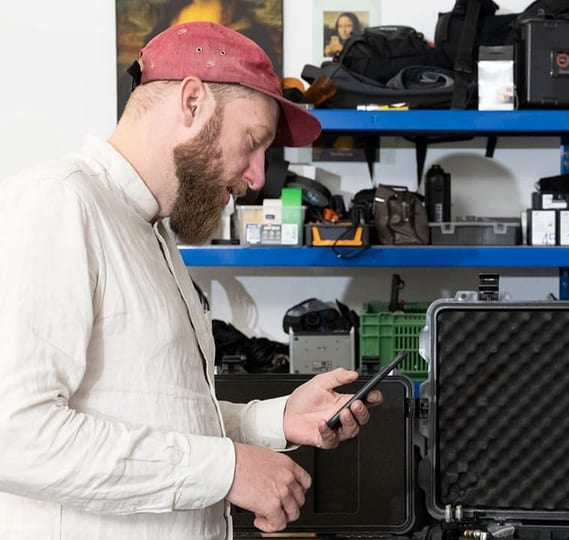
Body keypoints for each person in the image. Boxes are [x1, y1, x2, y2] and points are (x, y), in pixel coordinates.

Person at [0, 21, 378, 539]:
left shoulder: (150, 232)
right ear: (193, 102)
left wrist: (278, 419)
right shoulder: (59, 203)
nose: (255, 177)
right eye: (253, 142)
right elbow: (15, 436)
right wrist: (226, 470)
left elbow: (159, 416)